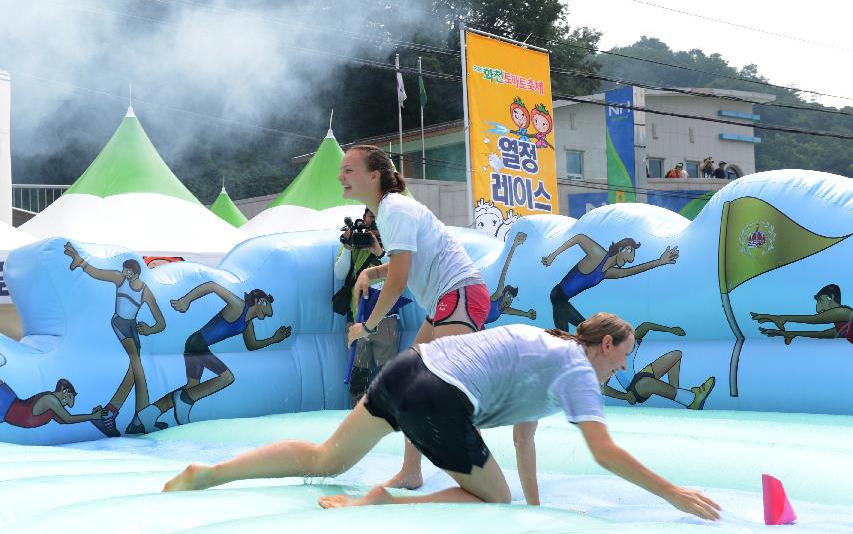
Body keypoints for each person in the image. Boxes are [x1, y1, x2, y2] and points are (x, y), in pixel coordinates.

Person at [162, 314, 721, 522]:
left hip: (410, 367)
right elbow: (604, 452)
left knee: (324, 459)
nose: (621, 369)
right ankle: (386, 501)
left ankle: (208, 475)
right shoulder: (576, 369)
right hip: (440, 393)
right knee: (490, 500)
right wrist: (671, 493)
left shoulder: (546, 347)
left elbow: (525, 436)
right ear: (602, 344)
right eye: (622, 357)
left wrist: (535, 510)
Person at [338, 144, 490, 490]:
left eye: (348, 170)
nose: (340, 176)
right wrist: (370, 273)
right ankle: (411, 472)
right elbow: (402, 266)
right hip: (447, 301)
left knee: (453, 388)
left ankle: (482, 476)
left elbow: (398, 283)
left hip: (460, 295)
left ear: (373, 176)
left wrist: (368, 327)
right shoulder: (390, 211)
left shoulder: (396, 210)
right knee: (410, 384)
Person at [132, 282, 292, 432]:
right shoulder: (238, 306)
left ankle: (146, 416)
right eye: (265, 305)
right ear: (258, 301)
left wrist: (274, 339)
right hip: (197, 344)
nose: (266, 312)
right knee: (227, 377)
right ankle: (185, 399)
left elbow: (252, 345)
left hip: (196, 344)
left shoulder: (247, 323)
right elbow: (212, 286)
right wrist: (186, 300)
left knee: (192, 386)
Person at [64, 242, 166, 437]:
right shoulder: (120, 280)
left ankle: (111, 412)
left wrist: (150, 329)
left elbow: (161, 323)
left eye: (128, 272)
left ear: (136, 274)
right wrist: (81, 262)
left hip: (133, 328)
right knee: (137, 365)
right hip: (120, 323)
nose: (124, 274)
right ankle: (141, 416)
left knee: (133, 371)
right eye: (124, 271)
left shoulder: (145, 291)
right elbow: (98, 273)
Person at [542, 235, 679, 331]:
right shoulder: (598, 255)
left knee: (563, 336)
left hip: (561, 300)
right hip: (558, 295)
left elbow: (632, 271)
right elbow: (579, 238)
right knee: (587, 329)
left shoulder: (608, 272)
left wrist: (659, 262)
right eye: (629, 252)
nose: (627, 260)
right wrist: (552, 256)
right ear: (621, 249)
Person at [334, 207, 400, 407]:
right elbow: (339, 273)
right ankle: (358, 415)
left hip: (386, 319)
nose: (375, 222)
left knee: (386, 376)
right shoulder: (356, 239)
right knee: (358, 376)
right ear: (364, 218)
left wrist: (379, 252)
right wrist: (347, 246)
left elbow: (400, 272)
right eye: (372, 217)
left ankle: (387, 417)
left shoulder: (395, 240)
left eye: (379, 218)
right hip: (358, 318)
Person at [602, 321, 715, 409]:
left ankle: (677, 391)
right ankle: (692, 400)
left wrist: (671, 330)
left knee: (676, 355)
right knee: (647, 382)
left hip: (642, 375)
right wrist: (624, 396)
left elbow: (646, 326)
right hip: (635, 389)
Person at [752, 283, 853, 345]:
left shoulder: (843, 312)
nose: (818, 308)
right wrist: (793, 333)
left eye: (820, 300)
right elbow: (822, 334)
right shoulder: (843, 325)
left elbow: (814, 319)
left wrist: (781, 318)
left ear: (830, 297)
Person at [0, 377, 107, 429]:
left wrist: (92, 416)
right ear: (65, 392)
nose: (70, 401)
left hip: (5, 411)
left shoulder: (52, 407)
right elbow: (68, 418)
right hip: (6, 403)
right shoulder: (50, 400)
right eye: (71, 396)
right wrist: (92, 416)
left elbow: (63, 421)